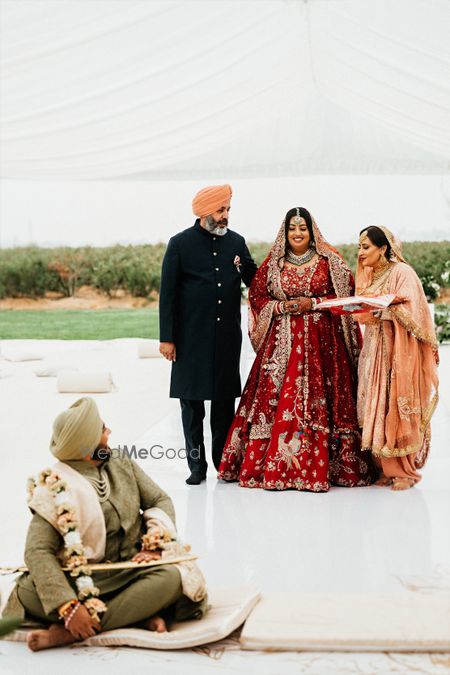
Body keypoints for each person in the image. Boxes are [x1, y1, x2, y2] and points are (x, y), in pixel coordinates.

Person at [2, 398, 208, 651]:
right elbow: (37, 551)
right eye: (103, 429)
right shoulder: (53, 485)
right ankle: (127, 616)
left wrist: (154, 544)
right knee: (28, 592)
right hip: (79, 579)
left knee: (172, 578)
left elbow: (158, 499)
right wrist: (68, 607)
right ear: (87, 443)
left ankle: (71, 633)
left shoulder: (121, 461)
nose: (109, 432)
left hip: (131, 571)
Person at [218, 207, 375, 491]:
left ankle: (330, 468)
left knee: (322, 400)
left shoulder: (331, 262)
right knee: (275, 399)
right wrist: (282, 306)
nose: (298, 233)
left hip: (324, 346)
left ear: (311, 230)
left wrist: (313, 304)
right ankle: (275, 468)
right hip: (281, 345)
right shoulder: (273, 265)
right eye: (293, 228)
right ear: (285, 231)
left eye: (303, 228)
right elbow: (257, 295)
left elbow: (345, 296)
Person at [159, 184, 257, 485]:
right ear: (204, 212)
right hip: (190, 339)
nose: (226, 216)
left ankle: (222, 464)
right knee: (191, 406)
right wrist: (167, 338)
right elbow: (168, 295)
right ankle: (196, 468)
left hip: (226, 338)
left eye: (228, 210)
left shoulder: (236, 243)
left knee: (224, 405)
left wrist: (248, 268)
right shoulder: (180, 244)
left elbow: (254, 280)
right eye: (220, 210)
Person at [355, 226, 439, 490]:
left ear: (383, 248)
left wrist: (386, 311)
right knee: (374, 403)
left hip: (397, 351)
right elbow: (363, 312)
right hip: (374, 349)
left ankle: (404, 472)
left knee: (394, 403)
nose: (360, 253)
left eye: (366, 246)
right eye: (359, 246)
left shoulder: (402, 272)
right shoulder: (370, 275)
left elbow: (414, 308)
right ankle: (383, 468)